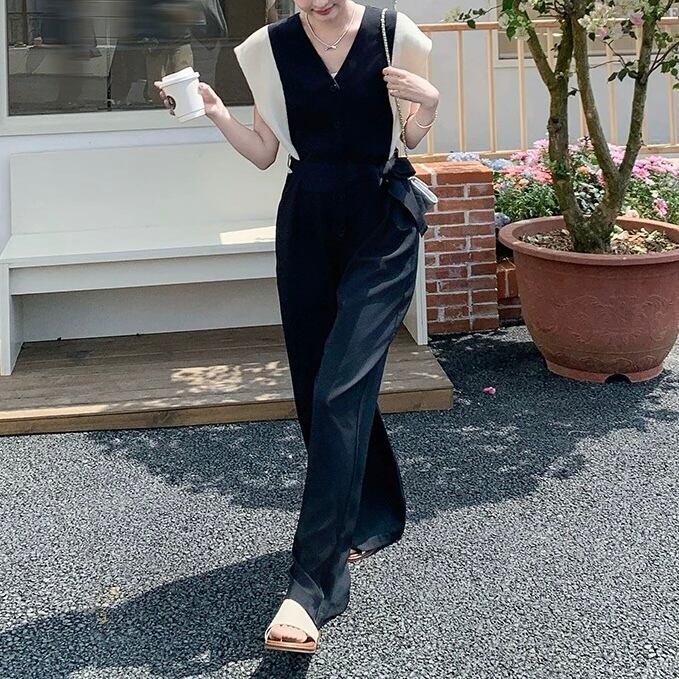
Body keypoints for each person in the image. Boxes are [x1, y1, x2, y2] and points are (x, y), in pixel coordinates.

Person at [155, 0, 439, 654]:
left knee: (340, 390)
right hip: (306, 223)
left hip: (382, 223)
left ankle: (312, 586)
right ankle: (373, 510)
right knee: (320, 387)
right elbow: (264, 152)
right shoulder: (268, 48)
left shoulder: (395, 33)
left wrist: (428, 105)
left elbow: (412, 138)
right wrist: (216, 112)